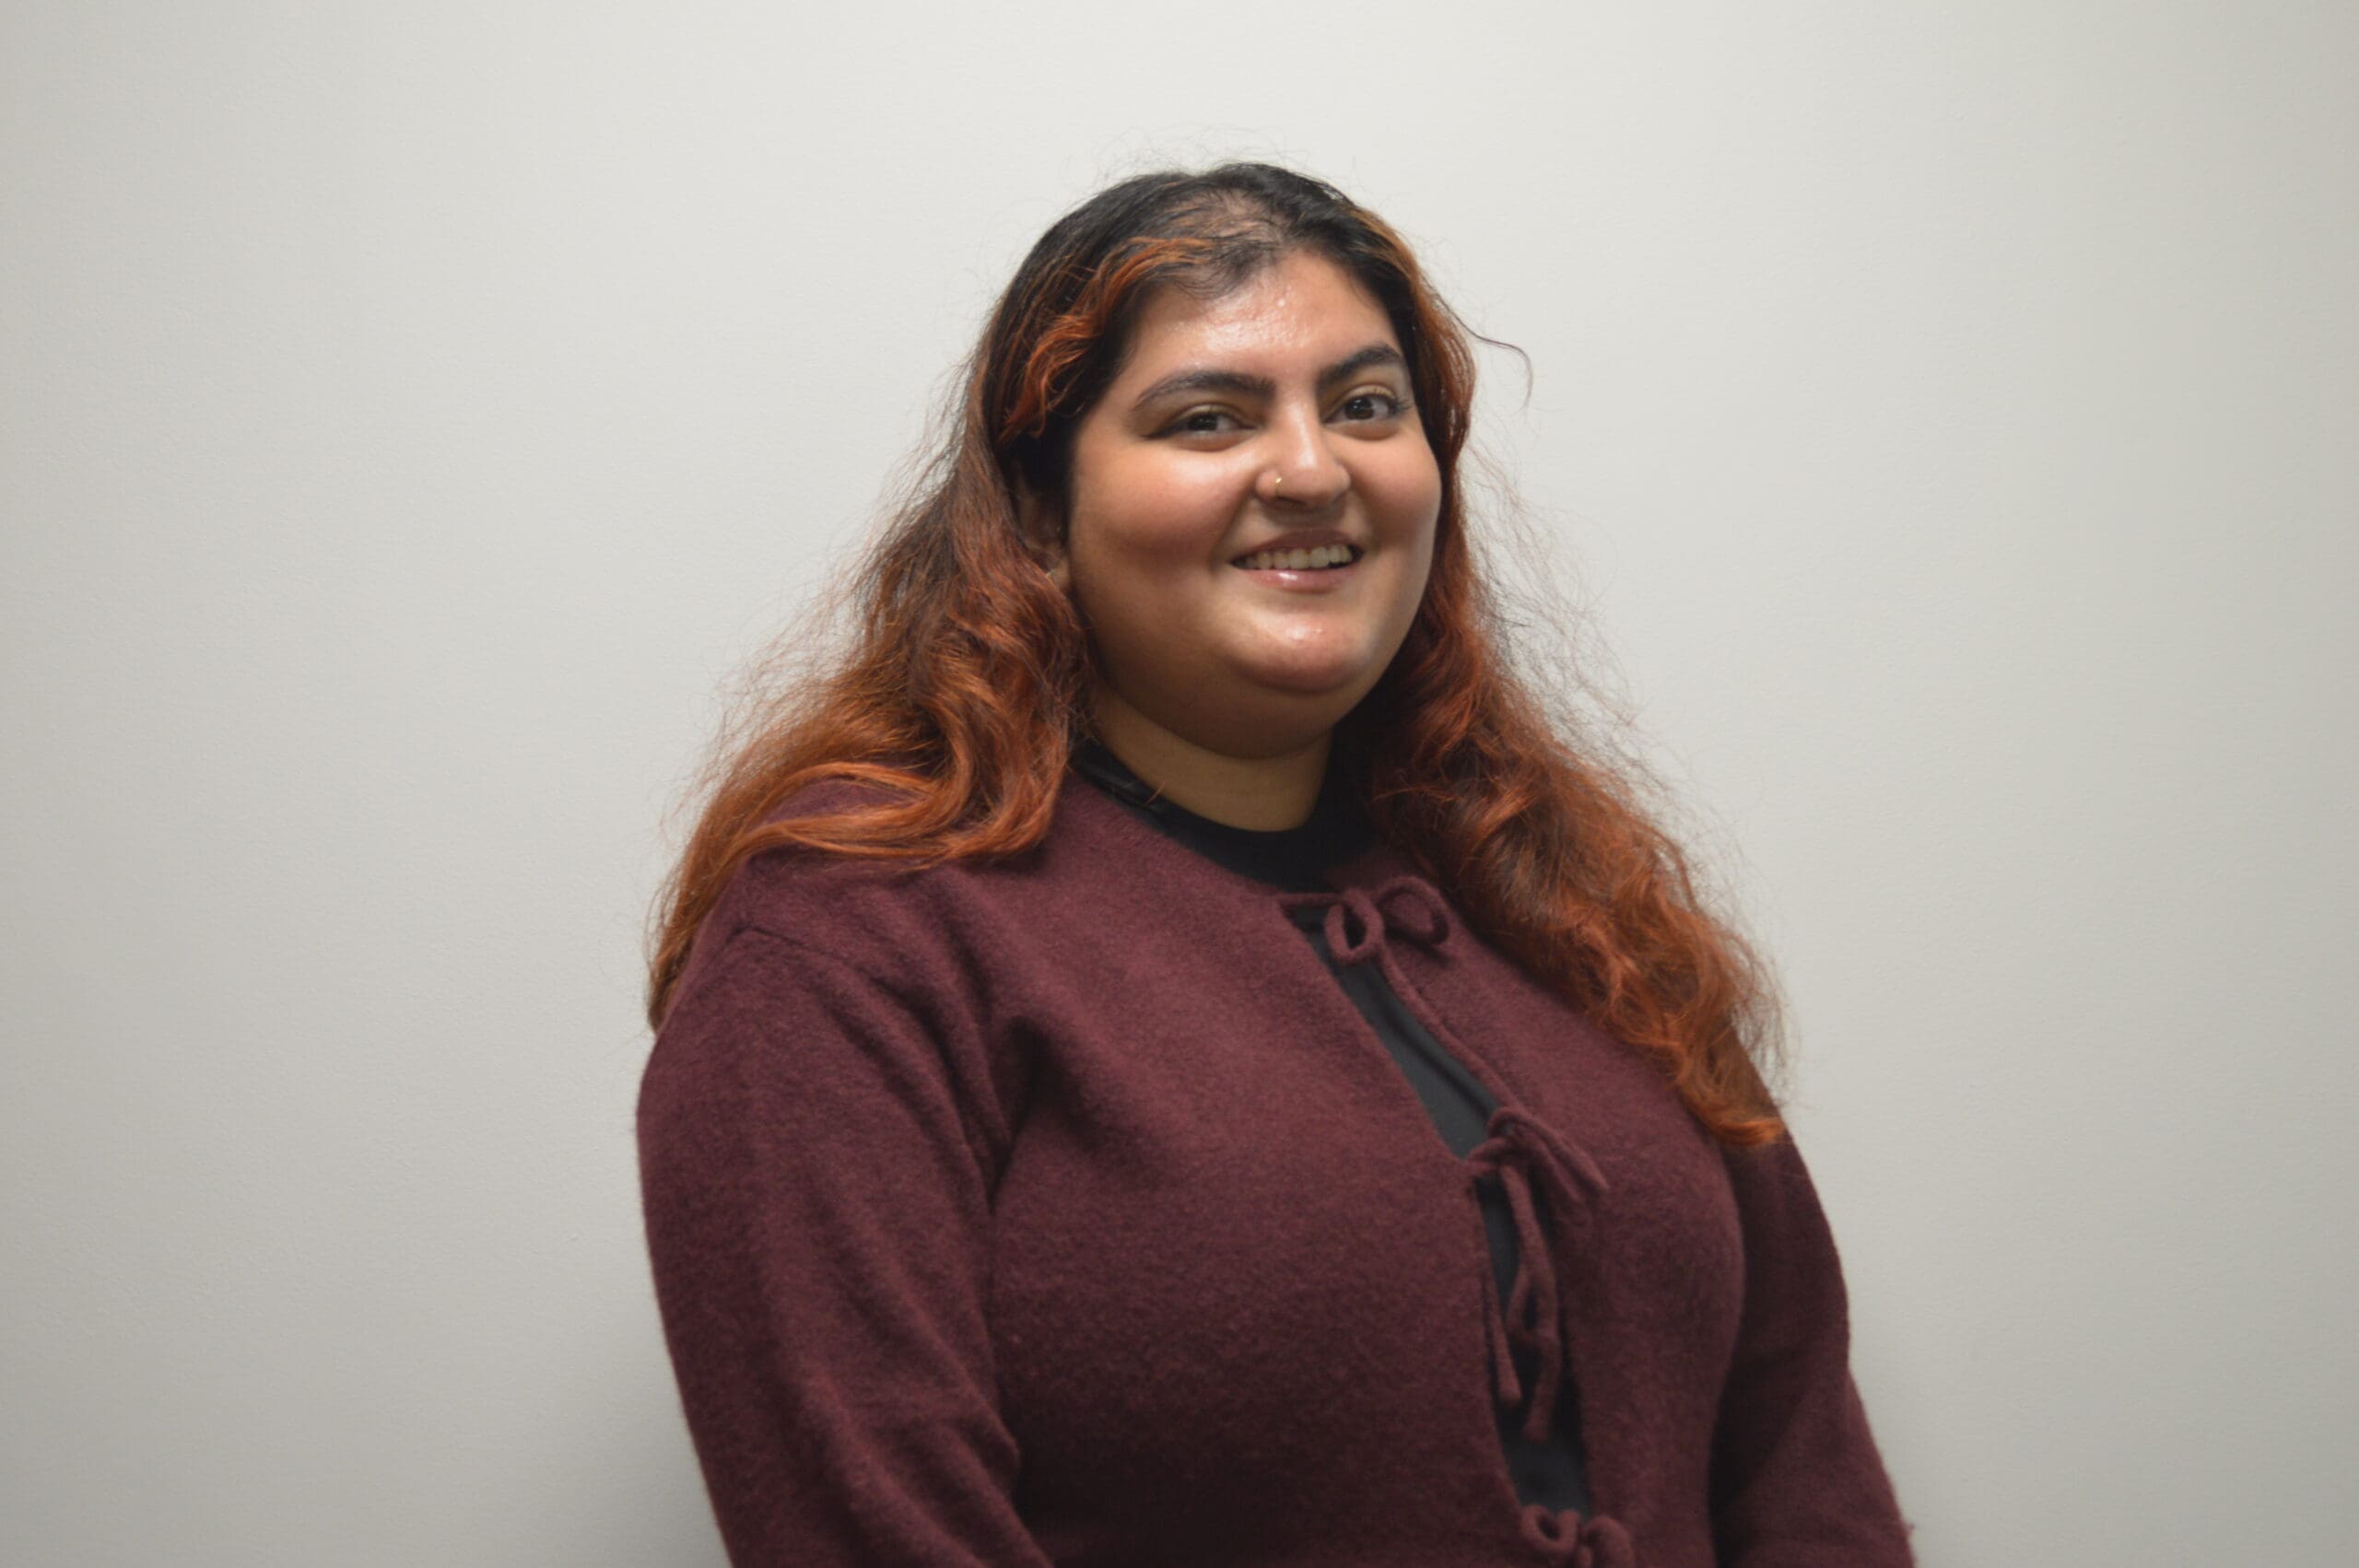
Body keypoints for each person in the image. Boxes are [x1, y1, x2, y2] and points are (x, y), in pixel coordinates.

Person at [635, 161, 1916, 1567]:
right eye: (1208, 417)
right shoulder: (851, 947)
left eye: (1367, 405)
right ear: (1042, 517)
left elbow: (1803, 1449)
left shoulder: (1570, 896)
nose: (1312, 471)